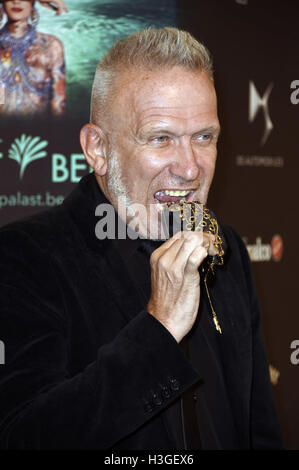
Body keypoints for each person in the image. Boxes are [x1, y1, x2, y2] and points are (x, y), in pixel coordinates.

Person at [0, 27, 283, 449]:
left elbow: (258, 427)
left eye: (204, 137)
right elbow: (23, 437)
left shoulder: (228, 249)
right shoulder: (24, 259)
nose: (190, 168)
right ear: (97, 148)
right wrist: (160, 328)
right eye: (161, 138)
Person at [0, 0, 67, 116]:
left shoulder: (51, 45)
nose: (16, 1)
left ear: (33, 3)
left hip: (40, 131)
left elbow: (58, 103)